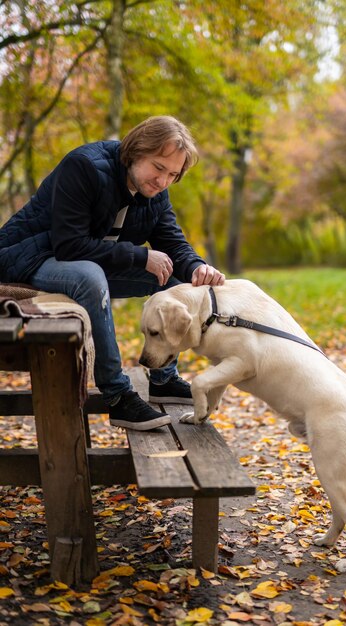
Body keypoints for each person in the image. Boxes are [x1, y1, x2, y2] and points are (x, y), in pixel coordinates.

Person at [0, 115, 225, 431]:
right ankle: (118, 397)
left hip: (81, 260)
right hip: (30, 257)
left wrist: (197, 267)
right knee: (90, 276)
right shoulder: (84, 167)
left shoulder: (156, 193)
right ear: (135, 151)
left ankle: (163, 377)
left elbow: (173, 243)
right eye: (158, 168)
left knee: (173, 281)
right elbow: (69, 246)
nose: (162, 181)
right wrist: (140, 255)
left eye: (173, 174)